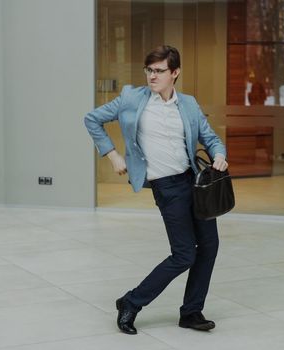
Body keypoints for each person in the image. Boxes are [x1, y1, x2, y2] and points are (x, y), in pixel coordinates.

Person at [84, 45, 228, 335]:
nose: (152, 76)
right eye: (149, 70)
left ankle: (191, 312)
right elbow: (92, 119)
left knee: (209, 247)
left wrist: (219, 154)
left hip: (193, 181)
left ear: (174, 73)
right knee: (185, 254)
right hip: (166, 187)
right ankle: (131, 302)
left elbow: (209, 137)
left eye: (159, 71)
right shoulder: (131, 98)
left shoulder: (187, 104)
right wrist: (112, 155)